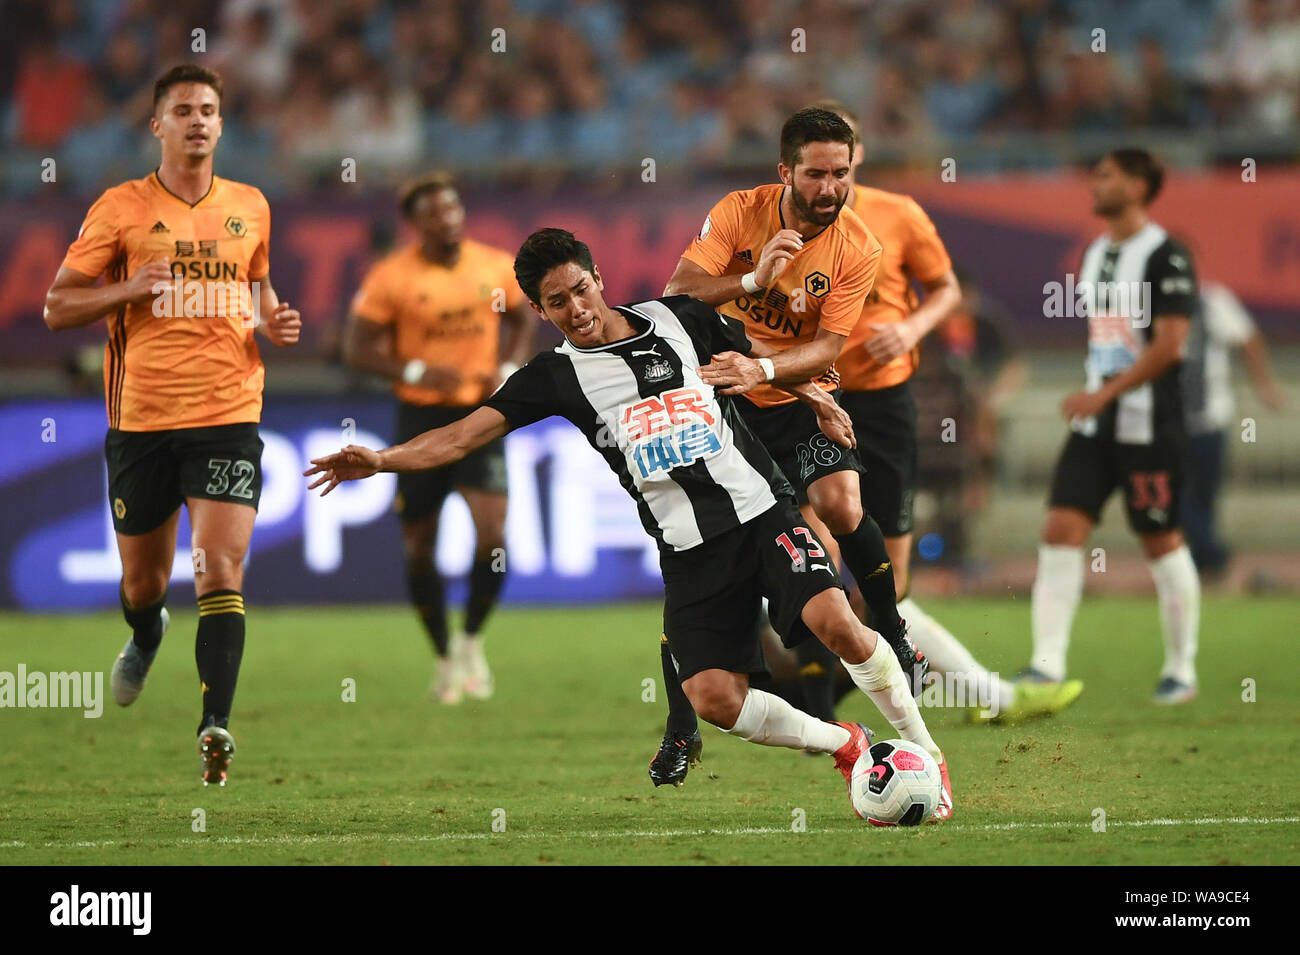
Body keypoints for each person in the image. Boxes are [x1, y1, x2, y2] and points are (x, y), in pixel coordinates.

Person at [306, 228, 954, 819]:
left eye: (581, 289)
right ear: (539, 311)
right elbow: (462, 435)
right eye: (557, 302)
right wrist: (384, 459)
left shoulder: (678, 318)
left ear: (599, 278)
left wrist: (816, 397)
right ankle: (849, 744)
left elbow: (755, 356)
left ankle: (926, 752)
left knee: (835, 621)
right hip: (690, 551)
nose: (577, 309)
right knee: (712, 698)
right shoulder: (554, 377)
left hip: (762, 511)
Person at [648, 107, 936, 788]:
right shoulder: (739, 213)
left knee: (840, 501)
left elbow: (831, 348)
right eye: (816, 173)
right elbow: (676, 296)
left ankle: (892, 629)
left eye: (841, 172)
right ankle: (681, 724)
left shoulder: (858, 247)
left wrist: (775, 373)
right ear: (786, 172)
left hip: (791, 395)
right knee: (697, 551)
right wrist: (751, 280)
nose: (830, 186)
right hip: (720, 406)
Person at [42, 64, 302, 785]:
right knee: (143, 583)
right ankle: (147, 632)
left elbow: (257, 288)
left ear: (222, 125)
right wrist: (127, 288)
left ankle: (214, 722)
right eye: (183, 109)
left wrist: (273, 319)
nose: (197, 121)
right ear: (156, 125)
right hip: (143, 420)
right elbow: (57, 307)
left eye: (209, 110)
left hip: (228, 412)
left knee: (220, 566)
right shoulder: (121, 208)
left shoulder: (252, 204)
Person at [787, 102, 1082, 728]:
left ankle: (828, 700)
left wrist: (913, 324)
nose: (831, 177)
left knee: (884, 589)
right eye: (818, 165)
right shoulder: (779, 224)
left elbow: (949, 290)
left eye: (844, 157)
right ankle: (827, 700)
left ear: (857, 155)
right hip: (806, 400)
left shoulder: (899, 215)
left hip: (885, 403)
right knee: (807, 568)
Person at [343, 172, 533, 703]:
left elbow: (523, 319)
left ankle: (472, 641)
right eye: (435, 213)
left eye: (453, 209)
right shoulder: (391, 276)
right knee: (420, 547)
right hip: (420, 418)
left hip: (481, 416)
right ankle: (444, 656)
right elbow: (357, 349)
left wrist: (511, 363)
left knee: (492, 537)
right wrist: (416, 371)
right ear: (416, 224)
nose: (448, 219)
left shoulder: (494, 266)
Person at [1021, 148, 1202, 704]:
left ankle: (1181, 670)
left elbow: (1171, 346)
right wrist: (1096, 393)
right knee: (1060, 530)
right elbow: (1110, 336)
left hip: (1148, 425)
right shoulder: (1097, 251)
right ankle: (1046, 665)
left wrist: (1103, 393)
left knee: (1160, 539)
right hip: (1097, 424)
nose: (1094, 185)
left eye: (1107, 176)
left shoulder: (1166, 256)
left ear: (1140, 185)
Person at [1180, 280, 1285, 578]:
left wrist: (1264, 385)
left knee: (1203, 495)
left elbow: (1247, 339)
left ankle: (1203, 565)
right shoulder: (1148, 303)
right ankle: (1211, 554)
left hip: (1210, 417)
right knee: (1174, 494)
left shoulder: (1213, 301)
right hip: (1166, 423)